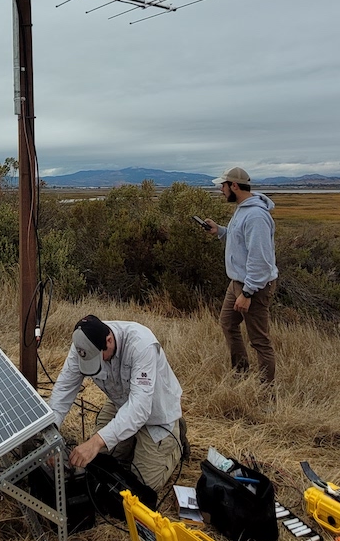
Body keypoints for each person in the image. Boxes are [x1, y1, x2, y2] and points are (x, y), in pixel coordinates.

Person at [47, 315, 186, 491]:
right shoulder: (83, 345)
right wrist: (51, 436)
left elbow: (139, 409)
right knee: (97, 464)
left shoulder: (141, 345)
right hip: (120, 404)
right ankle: (132, 444)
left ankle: (176, 442)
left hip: (156, 414)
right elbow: (63, 389)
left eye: (98, 358)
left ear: (109, 340)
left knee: (143, 485)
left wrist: (97, 441)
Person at [202, 167, 279, 384]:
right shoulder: (243, 209)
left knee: (260, 341)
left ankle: (266, 393)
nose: (221, 191)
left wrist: (247, 292)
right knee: (227, 323)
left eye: (223, 186)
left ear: (234, 186)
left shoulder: (256, 216)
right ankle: (241, 375)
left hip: (253, 287)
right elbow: (241, 240)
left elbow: (260, 260)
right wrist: (221, 231)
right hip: (237, 282)